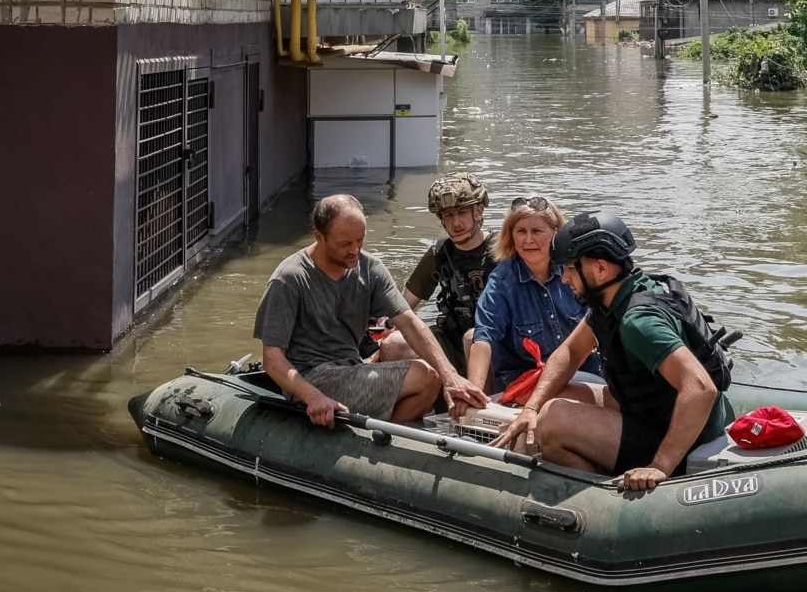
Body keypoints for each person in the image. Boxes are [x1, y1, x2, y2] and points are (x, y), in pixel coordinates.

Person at [490, 210, 735, 492]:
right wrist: (530, 408)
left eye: (571, 268)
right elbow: (570, 352)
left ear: (601, 269)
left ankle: (608, 500)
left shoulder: (637, 321)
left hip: (682, 440)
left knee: (553, 421)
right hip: (654, 414)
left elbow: (701, 389)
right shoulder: (615, 299)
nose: (565, 278)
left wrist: (660, 465)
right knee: (557, 396)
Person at [253, 194, 487, 427]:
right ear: (319, 237)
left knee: (431, 375)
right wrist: (313, 396)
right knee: (425, 376)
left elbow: (409, 323)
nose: (355, 250)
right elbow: (272, 359)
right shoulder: (290, 278)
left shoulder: (370, 269)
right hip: (312, 377)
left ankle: (380, 438)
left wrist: (451, 376)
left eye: (360, 240)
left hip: (352, 368)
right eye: (345, 244)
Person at [464, 196, 604, 413]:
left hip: (584, 374)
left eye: (537, 231)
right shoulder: (502, 282)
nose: (528, 240)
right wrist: (473, 396)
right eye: (520, 231)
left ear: (556, 233)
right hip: (525, 382)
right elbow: (484, 337)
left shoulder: (577, 272)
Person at [376, 172, 497, 375]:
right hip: (451, 342)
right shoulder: (439, 253)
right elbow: (402, 309)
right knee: (393, 345)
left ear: (478, 210)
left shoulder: (501, 249)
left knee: (474, 338)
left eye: (462, 213)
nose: (456, 223)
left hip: (494, 344)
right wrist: (376, 342)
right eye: (448, 215)